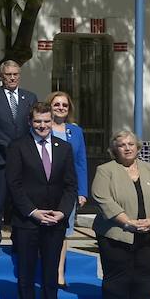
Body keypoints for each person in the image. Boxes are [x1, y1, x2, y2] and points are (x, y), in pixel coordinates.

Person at [5, 103, 78, 299]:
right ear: (30, 122)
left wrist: (62, 212)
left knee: (50, 272)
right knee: (26, 272)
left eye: (46, 121)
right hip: (28, 221)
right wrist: (33, 211)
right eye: (38, 121)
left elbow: (71, 185)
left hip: (55, 220)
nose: (43, 125)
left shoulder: (64, 148)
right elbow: (14, 184)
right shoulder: (18, 146)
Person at [91, 131, 150, 299]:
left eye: (131, 144)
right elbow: (102, 199)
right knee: (116, 278)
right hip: (116, 233)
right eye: (122, 145)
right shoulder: (105, 170)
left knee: (145, 277)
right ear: (114, 149)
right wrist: (127, 222)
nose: (127, 148)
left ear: (138, 147)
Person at [0, 60, 38, 255]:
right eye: (8, 74)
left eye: (15, 74)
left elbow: (35, 124)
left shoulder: (30, 97)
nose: (12, 78)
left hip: (24, 159)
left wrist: (25, 149)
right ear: (1, 76)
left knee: (20, 201)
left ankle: (19, 240)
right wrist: (12, 146)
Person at [47, 91, 88, 286]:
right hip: (45, 188)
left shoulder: (75, 131)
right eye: (56, 104)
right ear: (49, 106)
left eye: (64, 105)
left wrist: (82, 191)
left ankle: (58, 273)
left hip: (68, 190)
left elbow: (81, 162)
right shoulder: (41, 127)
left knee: (62, 232)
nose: (61, 108)